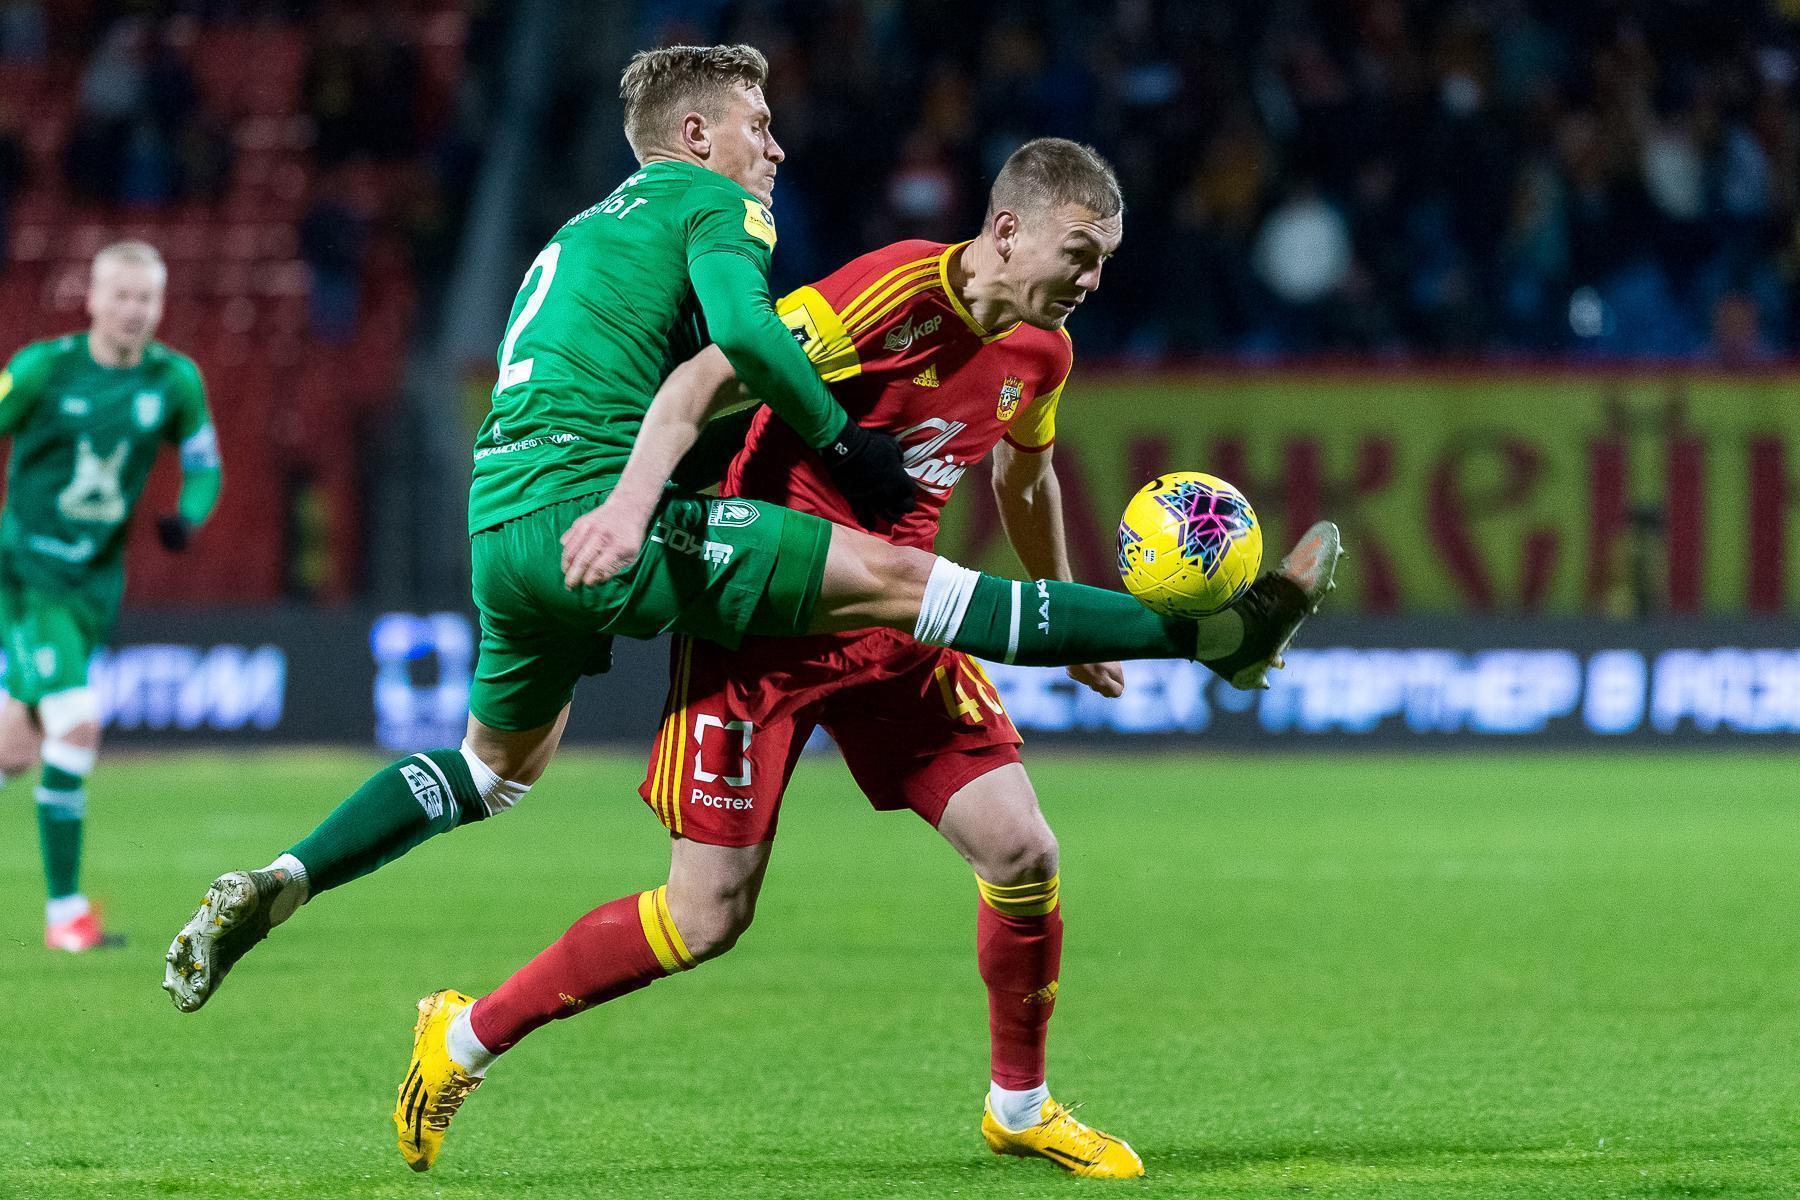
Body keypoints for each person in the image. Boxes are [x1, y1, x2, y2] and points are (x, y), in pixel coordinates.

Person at [165, 44, 1336, 1073]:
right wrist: (688, 488)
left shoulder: (584, 232)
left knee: (490, 773)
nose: (774, 148)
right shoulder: (721, 209)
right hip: (621, 521)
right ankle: (1217, 636)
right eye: (757, 126)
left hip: (503, 524)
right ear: (694, 136)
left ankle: (288, 878)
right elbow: (728, 350)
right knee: (900, 597)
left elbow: (1016, 476)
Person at [393, 137, 1189, 1177]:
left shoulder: (1044, 353)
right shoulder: (892, 296)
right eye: (1079, 254)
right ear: (1007, 231)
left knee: (1024, 853)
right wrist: (632, 506)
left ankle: (1021, 1106)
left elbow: (1024, 479)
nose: (1091, 281)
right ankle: (463, 1037)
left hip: (896, 630)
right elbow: (705, 378)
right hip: (764, 623)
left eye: (1104, 261)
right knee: (706, 916)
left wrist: (1058, 604)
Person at [0, 239, 221, 951]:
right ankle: (66, 917)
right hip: (27, 577)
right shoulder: (41, 369)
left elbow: (205, 466)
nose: (133, 310)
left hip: (95, 585)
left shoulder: (174, 380)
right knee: (78, 723)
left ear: (160, 305)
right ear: (92, 299)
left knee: (13, 749)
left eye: (145, 298)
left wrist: (188, 515)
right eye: (121, 296)